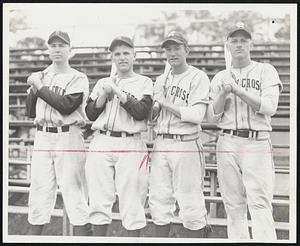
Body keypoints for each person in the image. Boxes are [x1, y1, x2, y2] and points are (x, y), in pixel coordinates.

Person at [206, 22, 282, 241]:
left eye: (243, 40)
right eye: (234, 40)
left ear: (251, 43)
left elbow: (269, 107)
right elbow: (212, 117)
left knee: (259, 202)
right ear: (227, 45)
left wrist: (238, 90)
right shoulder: (221, 77)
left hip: (256, 141)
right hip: (227, 140)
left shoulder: (265, 70)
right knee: (233, 204)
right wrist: (223, 94)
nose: (239, 44)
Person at [84, 36, 153, 237]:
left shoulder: (144, 82)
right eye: (117, 54)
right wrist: (104, 95)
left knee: (132, 201)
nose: (122, 57)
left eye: (126, 53)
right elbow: (90, 113)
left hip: (130, 141)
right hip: (102, 140)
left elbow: (141, 112)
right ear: (112, 57)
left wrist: (118, 92)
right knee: (98, 200)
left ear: (134, 56)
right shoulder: (102, 82)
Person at [25, 30, 90, 236]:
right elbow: (29, 111)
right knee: (39, 192)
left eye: (62, 45)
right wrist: (36, 87)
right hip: (42, 136)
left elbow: (66, 106)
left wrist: (38, 86)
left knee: (74, 193)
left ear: (70, 50)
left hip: (68, 135)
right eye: (53, 45)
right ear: (48, 50)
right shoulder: (41, 75)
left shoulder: (78, 77)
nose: (57, 49)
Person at [148, 31, 210, 238]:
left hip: (186, 143)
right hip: (161, 142)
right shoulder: (160, 79)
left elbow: (197, 115)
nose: (172, 52)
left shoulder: (198, 77)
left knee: (190, 202)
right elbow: (153, 116)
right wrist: (153, 109)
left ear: (187, 50)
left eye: (177, 48)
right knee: (158, 201)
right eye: (168, 49)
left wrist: (164, 102)